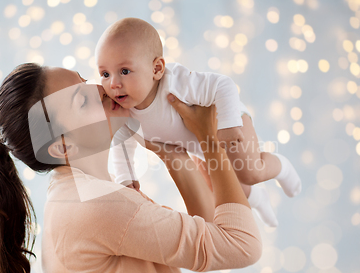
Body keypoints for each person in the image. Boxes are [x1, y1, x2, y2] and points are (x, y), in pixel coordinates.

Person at [0, 63, 262, 273]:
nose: (101, 88)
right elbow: (241, 245)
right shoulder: (98, 205)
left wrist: (169, 150)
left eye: (85, 80)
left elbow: (211, 235)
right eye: (82, 100)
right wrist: (208, 137)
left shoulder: (82, 195)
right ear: (62, 146)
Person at [95, 17, 302, 228]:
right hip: (200, 146)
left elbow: (222, 85)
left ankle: (283, 167)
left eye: (124, 71)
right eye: (105, 74)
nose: (113, 84)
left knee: (249, 172)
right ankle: (259, 199)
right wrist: (125, 178)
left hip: (227, 121)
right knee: (220, 188)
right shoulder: (124, 112)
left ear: (157, 69)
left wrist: (229, 124)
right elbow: (121, 141)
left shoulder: (175, 83)